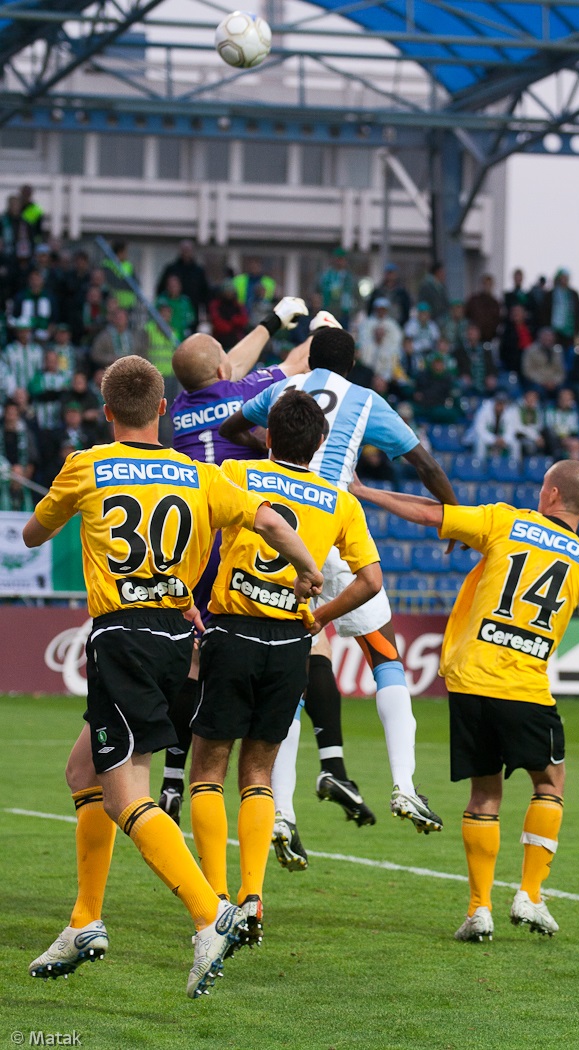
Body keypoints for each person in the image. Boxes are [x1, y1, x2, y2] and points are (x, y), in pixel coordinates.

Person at [22, 355, 322, 998]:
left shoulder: (87, 465)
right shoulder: (199, 474)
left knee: (123, 794)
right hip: (175, 639)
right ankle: (85, 920)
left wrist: (53, 510)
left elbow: (32, 534)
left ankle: (210, 915)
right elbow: (270, 521)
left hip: (122, 637)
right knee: (83, 772)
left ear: (107, 412)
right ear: (161, 409)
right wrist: (307, 568)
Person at [350, 459, 579, 942]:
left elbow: (428, 513)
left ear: (552, 494)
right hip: (525, 689)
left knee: (485, 795)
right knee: (550, 782)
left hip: (469, 682)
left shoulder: (505, 522)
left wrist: (365, 492)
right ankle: (530, 895)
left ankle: (479, 909)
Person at [220, 323, 457, 842]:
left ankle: (282, 811)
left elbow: (232, 427)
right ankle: (404, 785)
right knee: (385, 658)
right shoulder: (366, 400)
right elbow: (424, 464)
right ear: (351, 366)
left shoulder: (285, 389)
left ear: (310, 361)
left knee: (291, 677)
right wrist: (454, 515)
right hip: (332, 524)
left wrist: (263, 455)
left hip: (276, 534)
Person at [189, 390, 382, 943]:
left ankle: (215, 902)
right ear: (320, 442)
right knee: (259, 772)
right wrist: (320, 617)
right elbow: (370, 581)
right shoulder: (341, 502)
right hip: (290, 644)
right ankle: (252, 901)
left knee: (208, 768)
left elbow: (198, 530)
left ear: (269, 437)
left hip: (233, 632)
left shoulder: (236, 473)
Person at [156, 297, 310, 821]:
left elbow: (225, 363)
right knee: (242, 659)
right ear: (224, 372)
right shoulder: (245, 392)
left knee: (194, 663)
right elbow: (298, 362)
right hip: (238, 542)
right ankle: (273, 789)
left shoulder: (181, 407)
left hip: (192, 549)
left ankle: (171, 779)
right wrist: (321, 328)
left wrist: (271, 320)